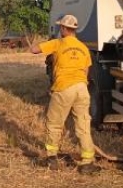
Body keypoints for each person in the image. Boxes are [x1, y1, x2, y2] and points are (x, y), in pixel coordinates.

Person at [30, 14, 101, 174]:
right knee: (83, 125)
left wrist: (39, 41)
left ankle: (51, 157)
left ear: (63, 28)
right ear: (74, 29)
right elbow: (86, 71)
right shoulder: (83, 48)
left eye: (60, 27)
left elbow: (34, 50)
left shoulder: (58, 43)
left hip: (63, 88)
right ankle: (87, 161)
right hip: (82, 89)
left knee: (54, 123)